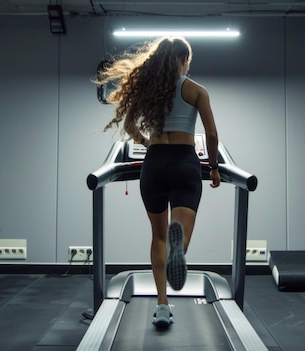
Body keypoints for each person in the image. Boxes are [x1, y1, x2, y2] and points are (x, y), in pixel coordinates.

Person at [94, 36, 220, 330]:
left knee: (158, 237)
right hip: (185, 163)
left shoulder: (148, 89)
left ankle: (162, 305)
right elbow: (212, 136)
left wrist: (146, 141)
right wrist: (213, 168)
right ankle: (181, 249)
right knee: (180, 235)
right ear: (185, 60)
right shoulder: (196, 90)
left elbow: (128, 127)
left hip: (154, 163)